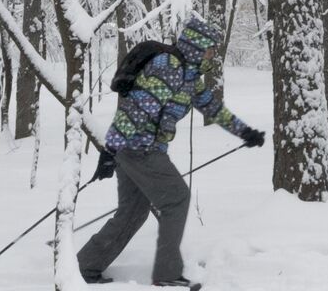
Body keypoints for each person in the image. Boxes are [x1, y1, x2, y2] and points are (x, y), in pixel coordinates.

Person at [77, 15, 265, 288]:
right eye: (210, 48)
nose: (213, 54)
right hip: (140, 148)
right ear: (197, 47)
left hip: (137, 148)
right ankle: (167, 275)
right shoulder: (169, 68)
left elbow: (211, 107)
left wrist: (244, 132)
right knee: (176, 198)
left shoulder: (188, 76)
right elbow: (136, 109)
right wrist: (111, 150)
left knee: (133, 212)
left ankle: (85, 266)